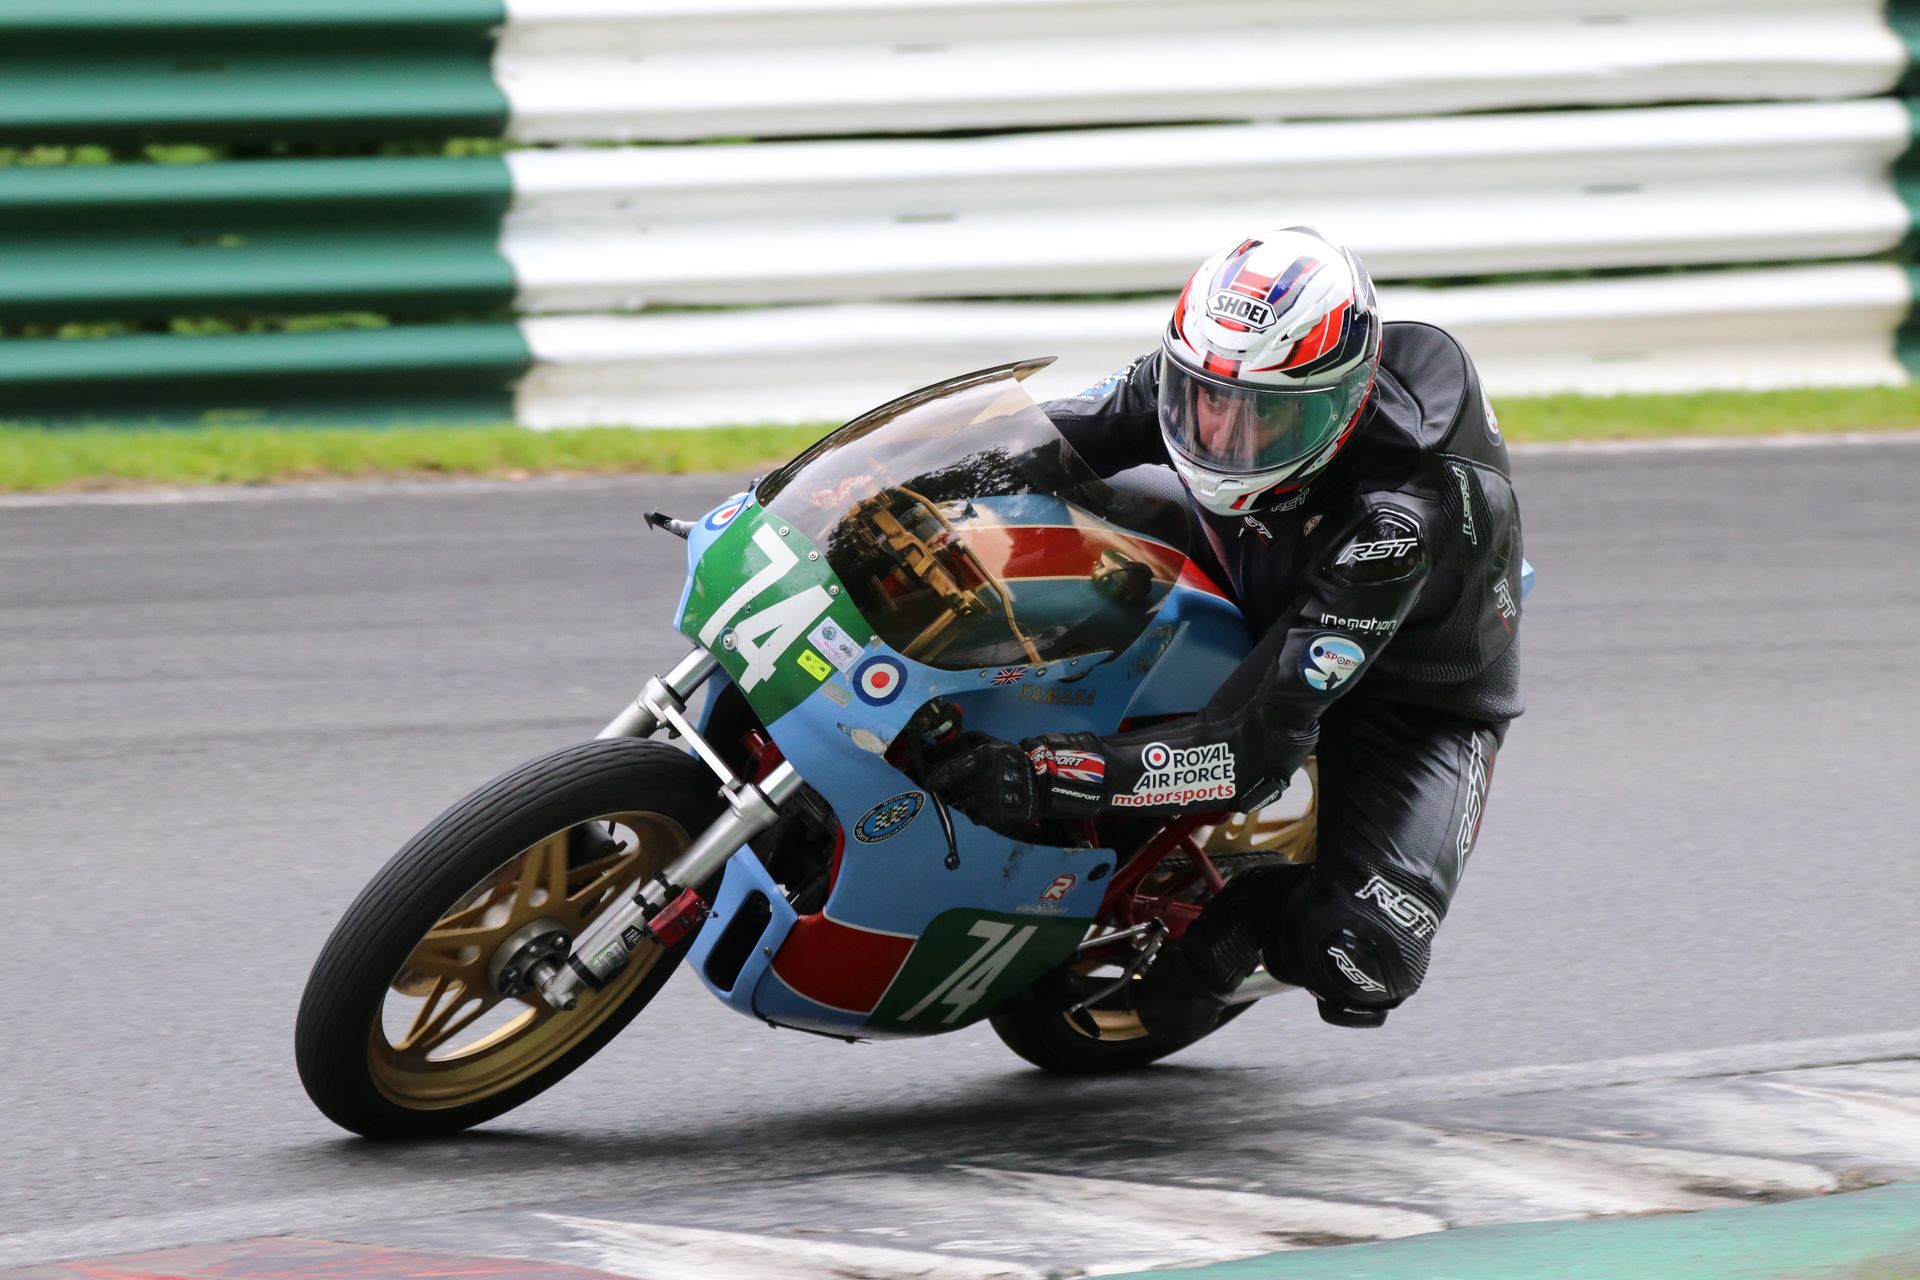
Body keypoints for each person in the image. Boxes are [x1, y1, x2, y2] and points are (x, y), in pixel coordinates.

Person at [925, 226, 1524, 1038]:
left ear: (1345, 404)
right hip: (1245, 569)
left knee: (1367, 956)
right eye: (1206, 401)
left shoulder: (1396, 521)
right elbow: (1028, 436)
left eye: (1265, 422)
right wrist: (847, 490)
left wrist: (1045, 775)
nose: (1224, 439)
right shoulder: (1209, 375)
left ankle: (1234, 929)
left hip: (1407, 694)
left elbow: (1249, 749)